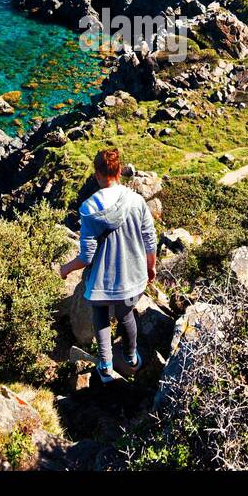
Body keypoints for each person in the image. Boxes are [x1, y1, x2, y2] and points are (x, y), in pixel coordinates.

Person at [58, 147, 157, 383]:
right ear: (119, 171)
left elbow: (87, 257)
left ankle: (105, 368)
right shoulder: (136, 201)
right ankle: (132, 358)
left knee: (100, 318)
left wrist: (66, 269)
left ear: (97, 174)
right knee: (126, 317)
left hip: (102, 283)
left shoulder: (89, 208)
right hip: (132, 278)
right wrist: (150, 267)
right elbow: (149, 239)